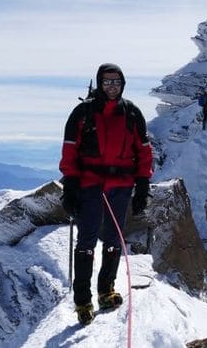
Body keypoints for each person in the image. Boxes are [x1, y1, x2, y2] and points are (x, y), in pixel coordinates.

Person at [59, 63, 153, 326]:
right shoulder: (82, 113)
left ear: (123, 84)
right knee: (86, 241)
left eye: (117, 82)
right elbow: (69, 152)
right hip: (90, 183)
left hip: (120, 185)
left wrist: (143, 185)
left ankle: (106, 290)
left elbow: (144, 151)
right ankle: (82, 300)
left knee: (114, 238)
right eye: (107, 82)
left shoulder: (132, 113)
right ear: (99, 83)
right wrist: (71, 186)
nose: (112, 86)